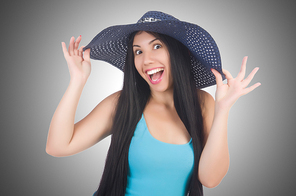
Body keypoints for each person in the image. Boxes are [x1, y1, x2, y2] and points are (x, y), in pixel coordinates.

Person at [46, 11, 260, 196]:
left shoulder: (203, 103)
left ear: (180, 52)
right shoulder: (122, 104)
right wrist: (77, 80)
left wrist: (223, 109)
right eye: (138, 51)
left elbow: (210, 179)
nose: (146, 59)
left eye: (156, 46)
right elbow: (57, 147)